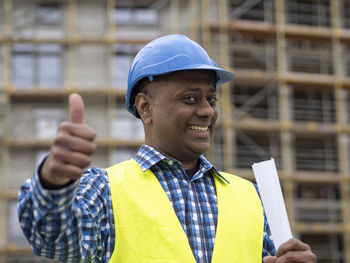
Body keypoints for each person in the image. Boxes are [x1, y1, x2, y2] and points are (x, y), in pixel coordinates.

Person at [18, 34, 316, 263]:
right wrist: (53, 183)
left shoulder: (252, 197)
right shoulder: (103, 189)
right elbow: (57, 245)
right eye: (190, 99)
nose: (207, 111)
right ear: (145, 107)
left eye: (211, 100)